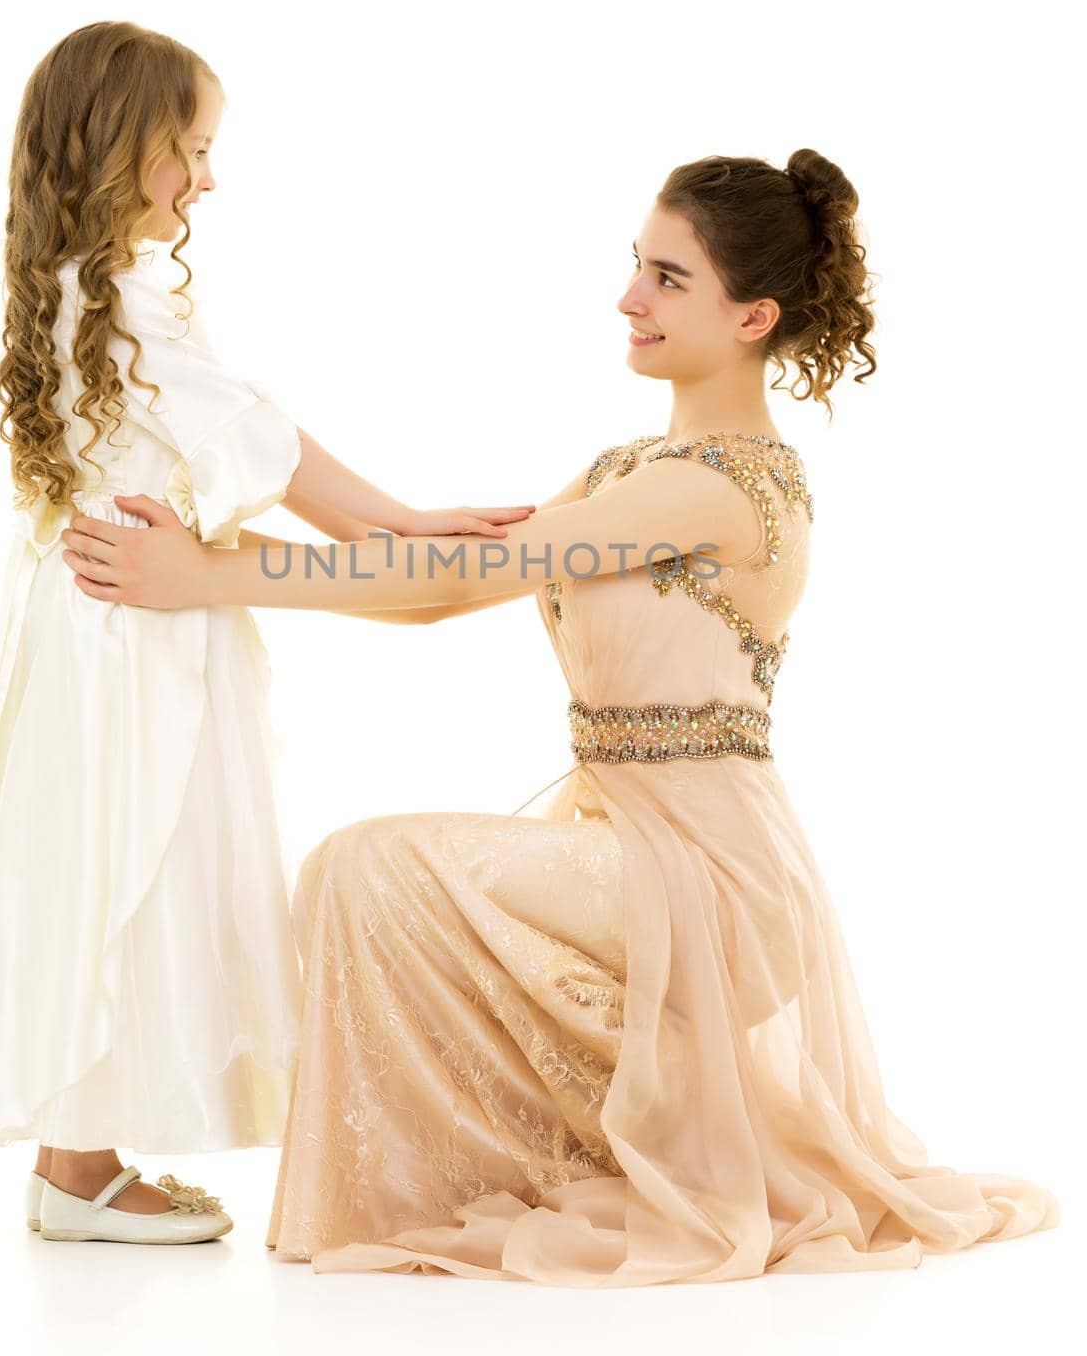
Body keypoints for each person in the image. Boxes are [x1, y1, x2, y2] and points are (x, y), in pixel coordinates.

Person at [60, 150, 1062, 1285]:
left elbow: (485, 575)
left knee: (364, 866)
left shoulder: (717, 486)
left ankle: (445, 1184)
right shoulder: (630, 468)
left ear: (755, 317)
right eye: (637, 266)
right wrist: (259, 542)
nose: (629, 298)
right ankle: (511, 1167)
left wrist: (216, 569)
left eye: (669, 280)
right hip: (630, 850)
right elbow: (442, 587)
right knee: (368, 872)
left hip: (714, 883)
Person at [0, 20, 534, 1247]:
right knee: (131, 860)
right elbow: (265, 441)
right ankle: (80, 1167)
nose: (208, 178)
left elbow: (239, 436)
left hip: (91, 617)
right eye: (190, 149)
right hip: (132, 632)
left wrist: (390, 529)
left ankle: (73, 1160)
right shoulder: (123, 295)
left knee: (95, 857)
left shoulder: (73, 282)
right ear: (122, 146)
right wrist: (403, 528)